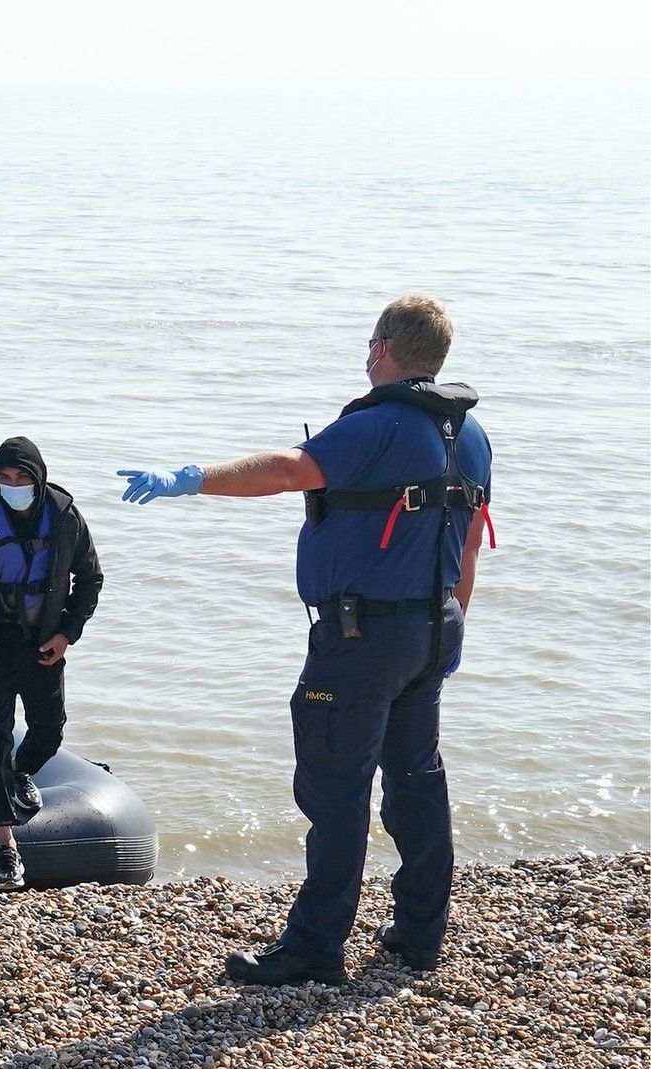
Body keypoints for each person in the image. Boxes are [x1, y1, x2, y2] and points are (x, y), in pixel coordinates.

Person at [119, 295, 493, 986]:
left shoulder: (380, 426)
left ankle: (316, 947)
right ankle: (419, 935)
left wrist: (191, 479)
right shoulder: (467, 436)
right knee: (416, 778)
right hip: (433, 628)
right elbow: (470, 540)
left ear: (382, 348)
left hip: (362, 639)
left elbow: (290, 470)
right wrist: (448, 626)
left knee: (335, 788)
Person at [0, 437, 103, 891]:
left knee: (50, 728)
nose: (12, 486)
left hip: (41, 645)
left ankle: (21, 773)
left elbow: (90, 579)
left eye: (22, 479)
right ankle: (6, 847)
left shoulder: (65, 517)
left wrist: (65, 633)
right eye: (4, 478)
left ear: (39, 479)